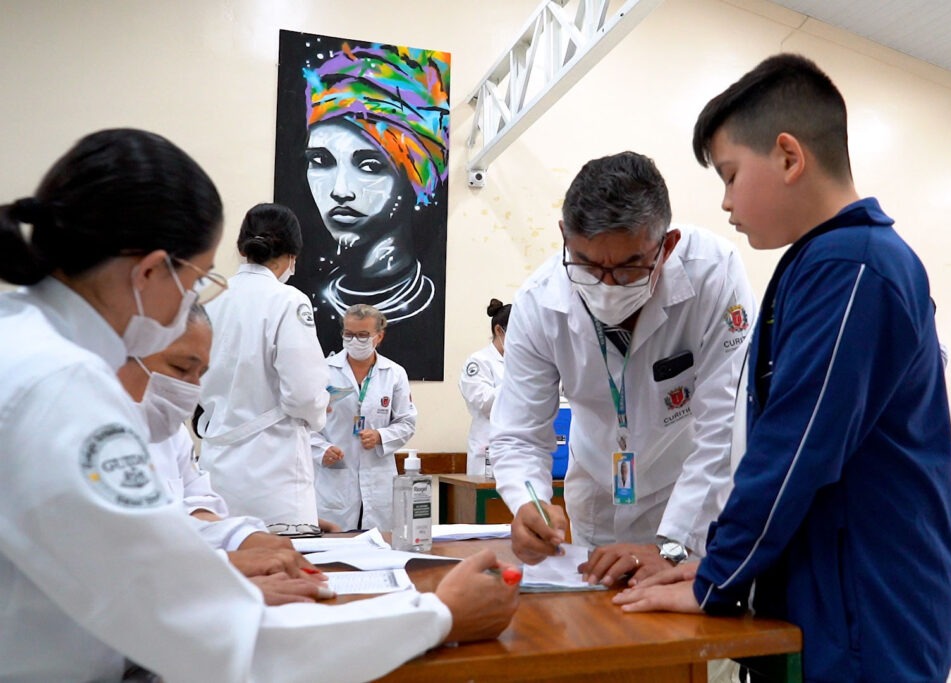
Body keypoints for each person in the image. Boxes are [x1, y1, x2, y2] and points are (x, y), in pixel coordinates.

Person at [0, 128, 518, 682]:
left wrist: (224, 559)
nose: (189, 311)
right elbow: (220, 642)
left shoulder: (26, 344)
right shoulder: (64, 389)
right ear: (149, 271)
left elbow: (134, 558)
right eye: (197, 280)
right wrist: (438, 613)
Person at [613, 54, 951, 683]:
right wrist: (720, 561)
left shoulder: (855, 266)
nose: (724, 202)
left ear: (789, 156)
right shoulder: (822, 262)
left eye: (730, 175)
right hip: (821, 588)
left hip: (866, 608)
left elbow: (796, 449)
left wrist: (716, 579)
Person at [490, 151, 756, 586]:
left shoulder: (714, 274)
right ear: (564, 237)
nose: (606, 285)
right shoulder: (540, 303)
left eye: (630, 267)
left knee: (676, 636)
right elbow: (519, 434)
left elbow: (724, 427)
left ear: (666, 246)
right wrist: (528, 503)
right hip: (596, 494)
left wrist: (672, 546)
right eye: (588, 265)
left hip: (686, 497)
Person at [117, 303, 325, 582]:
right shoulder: (86, 428)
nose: (192, 388)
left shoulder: (170, 431)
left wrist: (243, 537)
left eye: (201, 375)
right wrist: (223, 564)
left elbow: (194, 503)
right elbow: (122, 543)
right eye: (181, 368)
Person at [288, 38, 450, 380]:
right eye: (320, 161)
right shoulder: (297, 309)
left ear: (416, 177)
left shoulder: (427, 317)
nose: (340, 191)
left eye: (370, 166)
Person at [197, 203, 330, 534]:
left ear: (242, 248)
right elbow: (303, 393)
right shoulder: (288, 300)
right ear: (291, 255)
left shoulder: (209, 298)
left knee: (225, 568)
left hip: (216, 466)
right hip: (273, 474)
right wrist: (317, 415)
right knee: (283, 575)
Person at [311, 304, 416, 530]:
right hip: (334, 479)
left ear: (379, 336)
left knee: (380, 545)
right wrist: (322, 449)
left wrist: (381, 436)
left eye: (362, 335)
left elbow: (407, 422)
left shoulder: (394, 374)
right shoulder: (323, 371)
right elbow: (304, 424)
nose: (354, 340)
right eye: (348, 334)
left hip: (378, 479)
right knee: (333, 551)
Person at [459, 298, 511, 476]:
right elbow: (483, 401)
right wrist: (519, 382)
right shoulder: (478, 361)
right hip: (488, 449)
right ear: (499, 330)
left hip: (520, 449)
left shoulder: (526, 362)